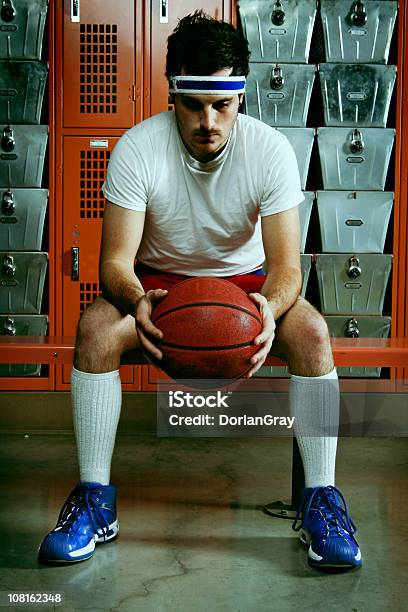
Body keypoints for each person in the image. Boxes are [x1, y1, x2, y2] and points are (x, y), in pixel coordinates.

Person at [38, 11, 361, 570]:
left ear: (241, 96)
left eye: (223, 105)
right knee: (94, 329)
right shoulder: (139, 148)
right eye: (193, 104)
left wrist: (268, 309)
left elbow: (287, 269)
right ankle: (94, 499)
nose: (208, 120)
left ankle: (321, 501)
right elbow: (114, 260)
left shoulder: (271, 150)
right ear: (172, 95)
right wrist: (136, 298)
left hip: (246, 286)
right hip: (159, 286)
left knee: (310, 330)